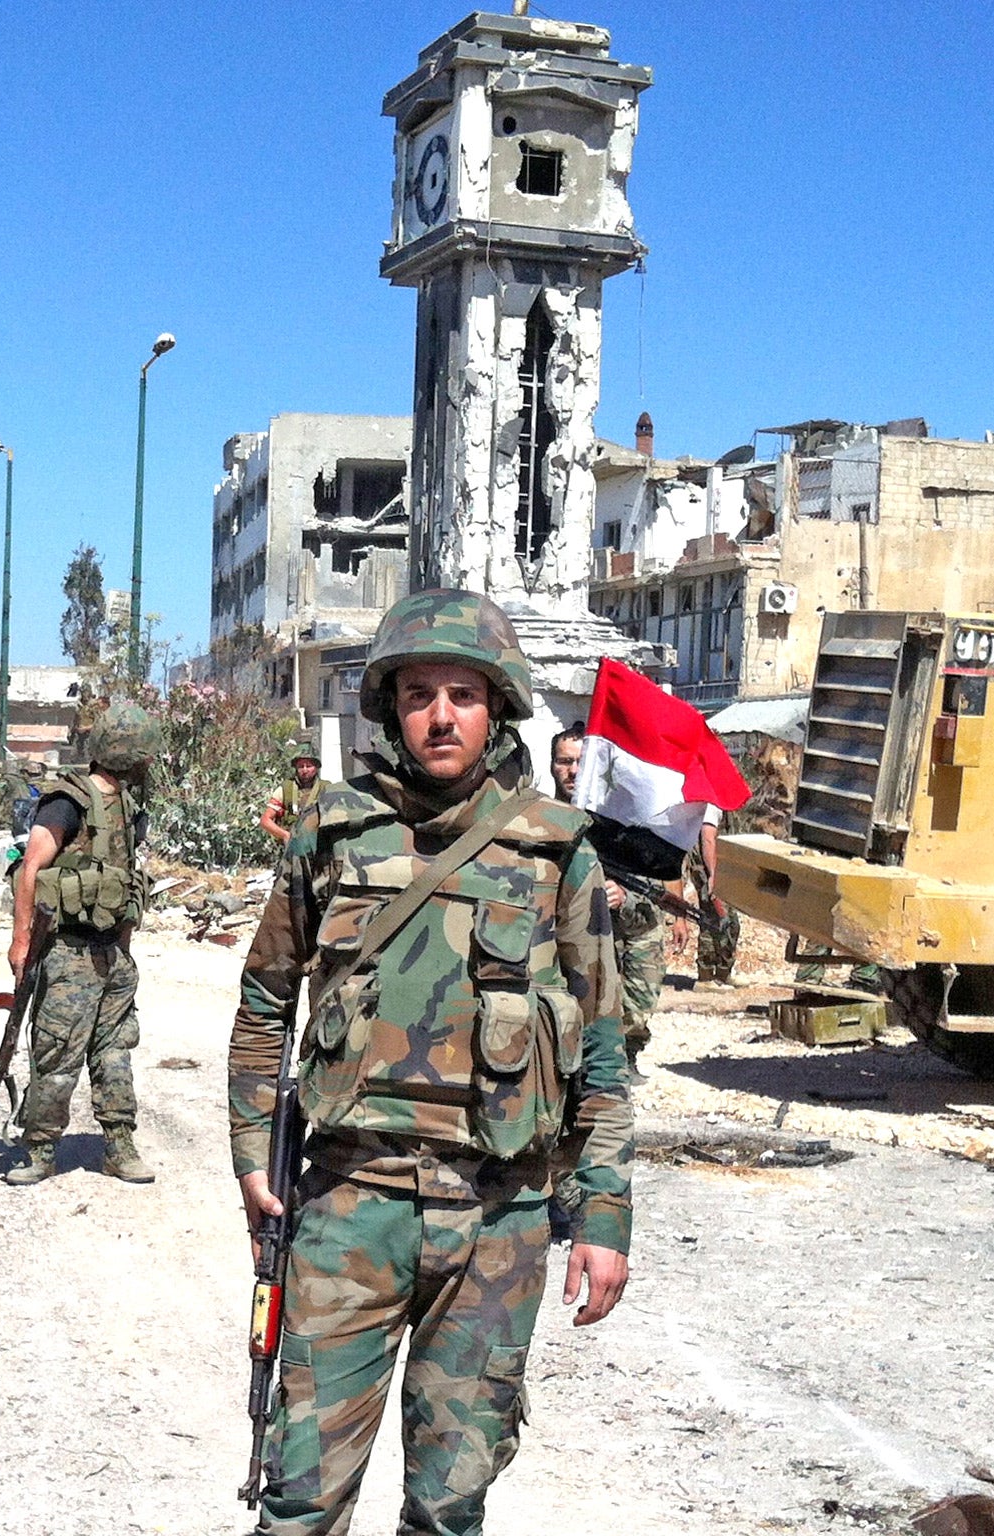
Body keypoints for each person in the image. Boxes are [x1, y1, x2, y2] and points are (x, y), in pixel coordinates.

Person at [229, 589, 632, 1536]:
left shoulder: (555, 852)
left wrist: (605, 1212)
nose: (440, 716)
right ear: (389, 707)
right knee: (300, 1502)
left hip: (499, 1217)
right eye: (419, 694)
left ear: (498, 706)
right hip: (347, 1209)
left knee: (451, 1508)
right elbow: (262, 1005)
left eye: (463, 693)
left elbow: (605, 1050)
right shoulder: (329, 833)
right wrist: (252, 1151)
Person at [3, 699, 162, 1187]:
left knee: (115, 1050)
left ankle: (119, 1145)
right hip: (68, 952)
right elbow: (31, 867)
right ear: (131, 753)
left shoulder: (130, 808)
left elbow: (127, 883)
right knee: (57, 1053)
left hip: (113, 953)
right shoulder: (66, 802)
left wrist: (126, 950)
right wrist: (21, 938)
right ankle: (41, 1150)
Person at [552, 721, 662, 1073]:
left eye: (581, 762)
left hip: (621, 939)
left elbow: (651, 901)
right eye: (563, 761)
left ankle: (622, 1058)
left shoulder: (622, 824)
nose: (572, 771)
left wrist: (622, 896)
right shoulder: (540, 821)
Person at [682, 812, 740, 985]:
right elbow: (708, 839)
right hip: (708, 870)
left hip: (717, 868)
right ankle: (706, 977)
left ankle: (722, 973)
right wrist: (713, 875)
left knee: (725, 922)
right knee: (718, 920)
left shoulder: (719, 805)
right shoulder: (711, 805)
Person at [259, 735, 329, 844]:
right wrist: (285, 835)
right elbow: (265, 820)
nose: (305, 770)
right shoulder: (285, 788)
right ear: (296, 767)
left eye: (309, 766)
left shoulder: (327, 788)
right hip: (291, 848)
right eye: (301, 766)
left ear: (316, 767)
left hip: (320, 845)